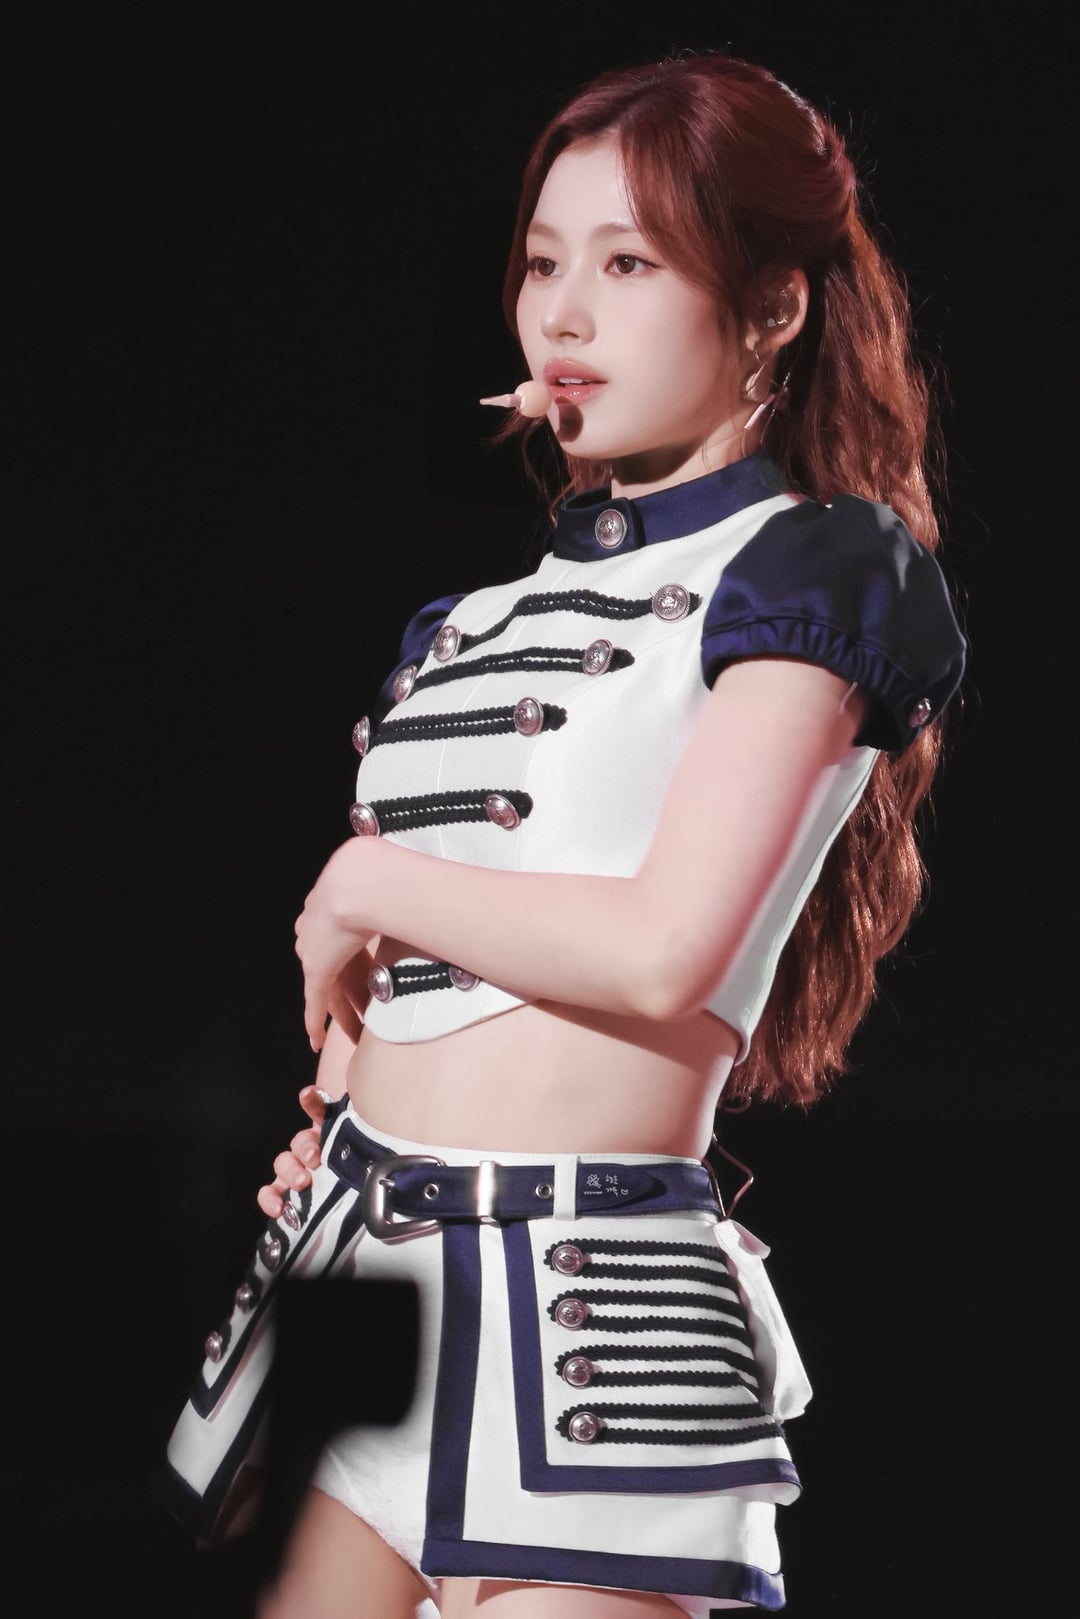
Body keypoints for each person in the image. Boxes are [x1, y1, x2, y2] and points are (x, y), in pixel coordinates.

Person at [158, 48, 967, 1619]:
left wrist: (369, 876)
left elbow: (669, 953)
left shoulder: (812, 571)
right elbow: (386, 999)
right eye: (542, 265)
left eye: (629, 264)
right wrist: (338, 1116)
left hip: (591, 1335)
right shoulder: (459, 630)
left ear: (774, 306)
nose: (564, 317)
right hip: (359, 1296)